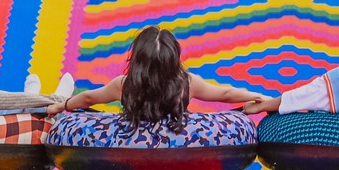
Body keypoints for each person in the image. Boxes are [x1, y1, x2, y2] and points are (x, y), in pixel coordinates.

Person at [59, 25, 260, 125]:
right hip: (176, 144)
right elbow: (225, 94)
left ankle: (58, 97)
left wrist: (64, 106)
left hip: (134, 145)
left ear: (136, 61)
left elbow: (88, 98)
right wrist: (258, 97)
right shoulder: (186, 83)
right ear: (174, 61)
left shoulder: (123, 85)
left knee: (89, 114)